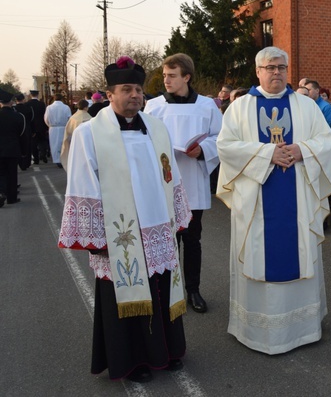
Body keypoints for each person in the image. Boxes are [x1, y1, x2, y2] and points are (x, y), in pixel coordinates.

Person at [58, 59, 192, 382]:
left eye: (138, 89)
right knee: (127, 292)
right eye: (126, 89)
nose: (135, 95)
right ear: (109, 93)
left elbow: (170, 176)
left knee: (161, 287)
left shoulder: (156, 128)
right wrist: (97, 238)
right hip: (121, 234)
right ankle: (134, 362)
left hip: (157, 225)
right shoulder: (90, 133)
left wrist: (175, 216)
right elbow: (82, 184)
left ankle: (167, 351)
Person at [216, 46, 331, 355]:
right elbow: (226, 147)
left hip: (298, 196)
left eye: (281, 67)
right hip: (256, 200)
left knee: (298, 248)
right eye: (269, 67)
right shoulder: (239, 108)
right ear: (257, 71)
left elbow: (325, 139)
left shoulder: (306, 106)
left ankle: (303, 327)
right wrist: (268, 153)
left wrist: (301, 150)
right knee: (258, 252)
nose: (276, 72)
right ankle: (255, 328)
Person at [144, 53, 223, 314]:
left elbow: (220, 138)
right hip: (164, 182)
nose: (166, 80)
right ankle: (168, 290)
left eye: (172, 76)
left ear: (186, 77)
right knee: (168, 239)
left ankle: (193, 290)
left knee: (192, 239)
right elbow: (144, 141)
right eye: (165, 75)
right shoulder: (154, 106)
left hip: (193, 178)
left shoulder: (207, 106)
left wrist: (203, 149)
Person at [0, 89, 26, 205]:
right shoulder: (18, 117)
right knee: (12, 173)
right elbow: (22, 134)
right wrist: (24, 151)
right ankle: (11, 197)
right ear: (11, 102)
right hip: (13, 148)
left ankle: (1, 193)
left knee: (1, 173)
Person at [60, 99, 91, 171]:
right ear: (86, 107)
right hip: (87, 143)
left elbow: (68, 132)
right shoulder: (90, 118)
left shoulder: (73, 118)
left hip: (75, 143)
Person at [45, 93, 72, 168]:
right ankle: (63, 158)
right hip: (63, 127)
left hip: (53, 128)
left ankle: (56, 159)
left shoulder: (49, 108)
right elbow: (69, 118)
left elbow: (46, 119)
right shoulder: (66, 107)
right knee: (63, 143)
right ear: (62, 99)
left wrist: (50, 125)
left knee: (54, 144)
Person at [27, 90, 49, 164]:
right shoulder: (42, 104)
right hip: (41, 125)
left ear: (31, 95)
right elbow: (45, 115)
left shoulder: (27, 104)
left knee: (33, 143)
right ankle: (43, 153)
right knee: (42, 141)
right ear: (38, 95)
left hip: (32, 126)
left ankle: (36, 159)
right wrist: (46, 127)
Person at [13, 93, 33, 170]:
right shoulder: (28, 108)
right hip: (27, 128)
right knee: (27, 145)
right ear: (23, 99)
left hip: (17, 129)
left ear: (16, 100)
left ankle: (20, 162)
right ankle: (26, 163)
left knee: (19, 144)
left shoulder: (14, 109)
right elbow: (31, 118)